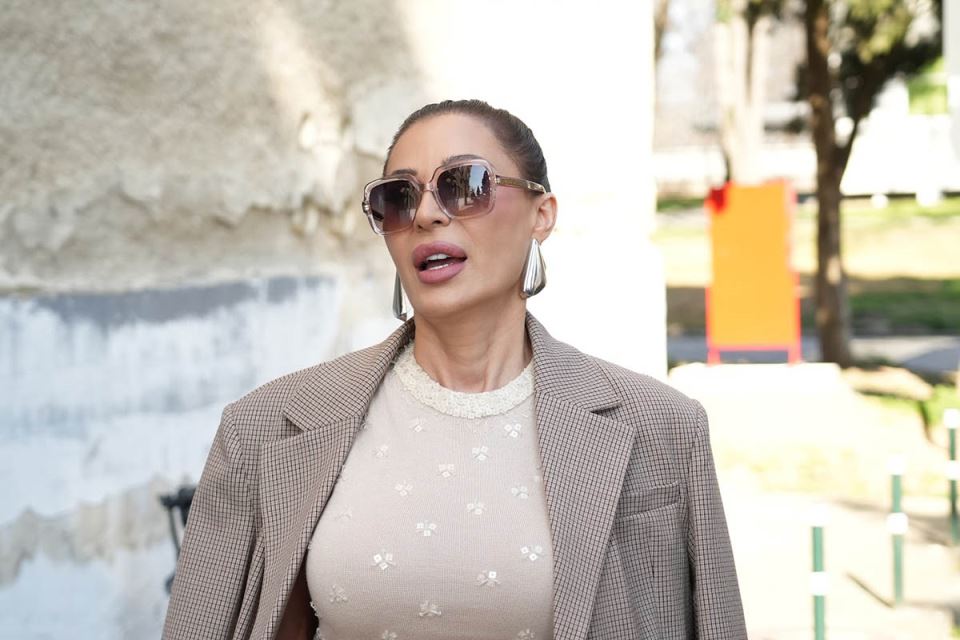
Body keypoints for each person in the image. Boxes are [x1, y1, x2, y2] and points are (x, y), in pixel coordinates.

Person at [162, 99, 747, 640]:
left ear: (541, 214)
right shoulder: (264, 428)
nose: (425, 214)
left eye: (464, 185)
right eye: (398, 197)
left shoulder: (662, 428)